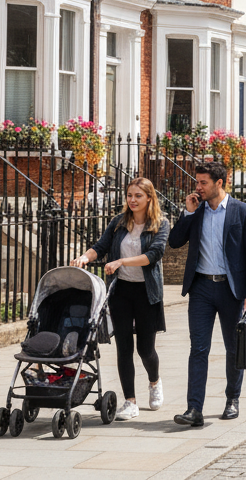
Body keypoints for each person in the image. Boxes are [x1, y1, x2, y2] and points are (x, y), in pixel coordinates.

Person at [169, 161, 246, 427]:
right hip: (201, 288)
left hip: (231, 290)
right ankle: (194, 409)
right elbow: (174, 241)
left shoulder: (243, 211)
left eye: (203, 183)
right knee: (198, 349)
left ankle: (232, 399)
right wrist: (187, 214)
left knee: (233, 348)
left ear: (219, 183)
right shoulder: (196, 211)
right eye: (197, 182)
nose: (198, 187)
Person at [71, 177, 169, 421]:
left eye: (138, 196)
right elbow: (100, 246)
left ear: (149, 198)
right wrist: (85, 257)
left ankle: (154, 382)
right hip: (121, 291)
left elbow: (154, 254)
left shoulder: (160, 223)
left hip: (147, 293)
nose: (132, 200)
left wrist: (122, 261)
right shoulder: (119, 222)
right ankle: (130, 401)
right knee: (124, 347)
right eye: (129, 195)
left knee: (146, 349)